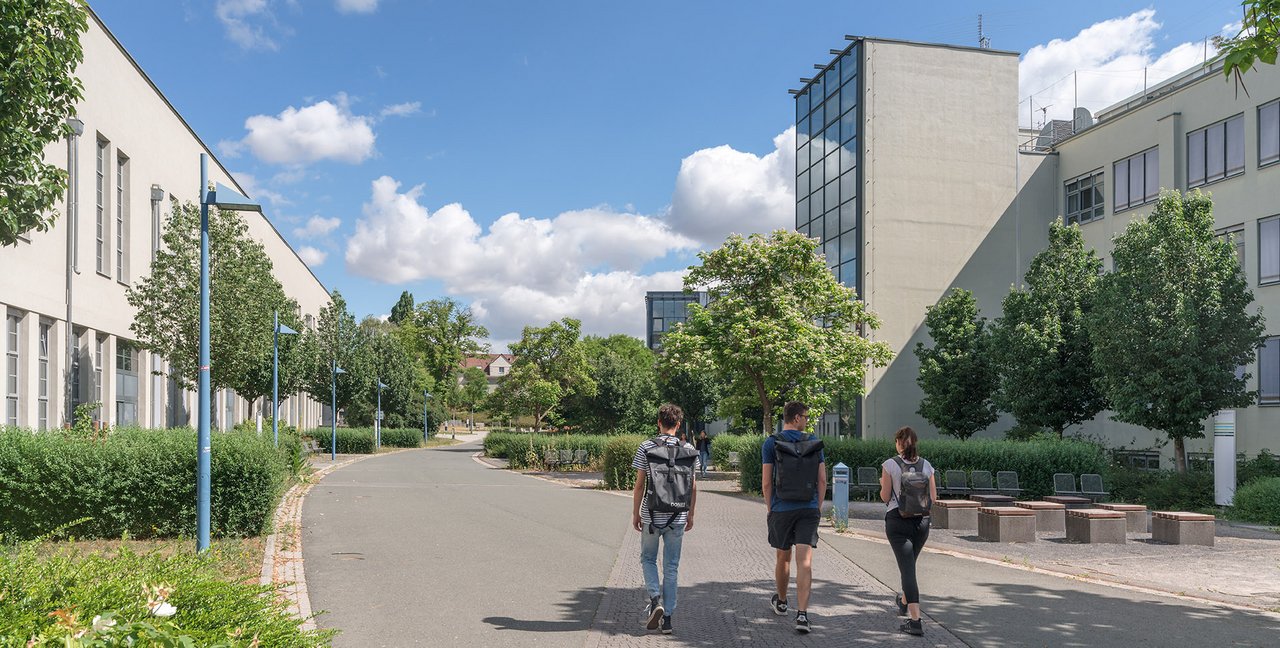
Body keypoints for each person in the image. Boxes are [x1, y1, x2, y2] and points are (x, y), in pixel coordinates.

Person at [631, 403, 699, 635]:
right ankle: (667, 618)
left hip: (652, 514)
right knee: (671, 567)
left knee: (648, 559)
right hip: (678, 516)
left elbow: (640, 484)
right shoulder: (688, 448)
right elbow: (693, 486)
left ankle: (655, 599)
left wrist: (636, 512)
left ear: (659, 422)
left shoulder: (647, 447)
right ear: (678, 424)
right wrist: (690, 513)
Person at [761, 401, 825, 634]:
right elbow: (822, 481)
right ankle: (803, 615)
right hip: (808, 508)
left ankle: (781, 601)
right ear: (796, 418)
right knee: (805, 561)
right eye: (806, 416)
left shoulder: (771, 443)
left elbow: (766, 482)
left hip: (782, 507)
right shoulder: (814, 444)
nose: (807, 420)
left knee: (783, 556)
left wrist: (771, 508)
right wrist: (815, 507)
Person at [879, 426, 938, 637]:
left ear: (898, 443)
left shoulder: (890, 465)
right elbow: (933, 497)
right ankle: (903, 601)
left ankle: (915, 621)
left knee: (908, 570)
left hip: (897, 521)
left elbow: (885, 497)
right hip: (921, 523)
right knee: (909, 565)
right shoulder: (927, 465)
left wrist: (882, 485)